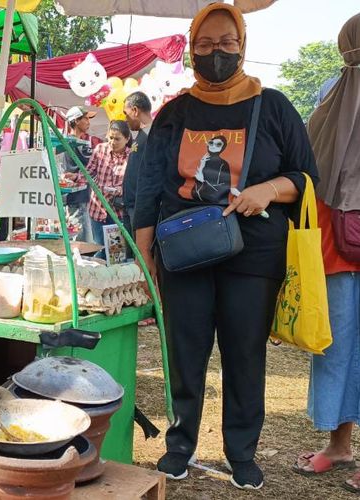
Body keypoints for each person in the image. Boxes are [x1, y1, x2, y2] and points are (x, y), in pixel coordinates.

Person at [133, 3, 318, 489]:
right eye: (206, 44)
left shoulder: (274, 106)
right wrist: (145, 253)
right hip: (183, 252)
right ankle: (180, 445)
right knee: (185, 352)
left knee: (244, 354)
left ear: (243, 45)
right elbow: (149, 187)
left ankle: (242, 452)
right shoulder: (175, 113)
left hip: (253, 256)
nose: (217, 53)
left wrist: (267, 190)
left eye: (226, 44)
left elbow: (305, 177)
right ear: (192, 47)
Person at [293, 13, 360, 494]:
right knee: (335, 349)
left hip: (337, 246)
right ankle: (339, 444)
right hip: (335, 248)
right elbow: (309, 174)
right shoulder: (329, 94)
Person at [86, 120, 131, 257]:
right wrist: (74, 178)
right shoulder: (100, 149)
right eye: (110, 137)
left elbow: (134, 183)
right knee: (100, 248)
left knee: (115, 253)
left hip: (118, 213)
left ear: (127, 139)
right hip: (98, 210)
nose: (113, 142)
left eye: (117, 139)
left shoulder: (132, 155)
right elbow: (88, 172)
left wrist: (121, 189)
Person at [62, 106, 102, 242]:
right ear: (76, 121)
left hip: (85, 197)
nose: (88, 122)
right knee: (81, 242)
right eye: (85, 118)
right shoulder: (70, 142)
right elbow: (87, 167)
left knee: (87, 240)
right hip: (77, 198)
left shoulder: (82, 142)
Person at [122, 91, 154, 234]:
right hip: (131, 204)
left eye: (126, 113)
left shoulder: (152, 134)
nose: (125, 119)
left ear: (135, 110)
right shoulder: (141, 134)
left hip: (141, 206)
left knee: (141, 253)